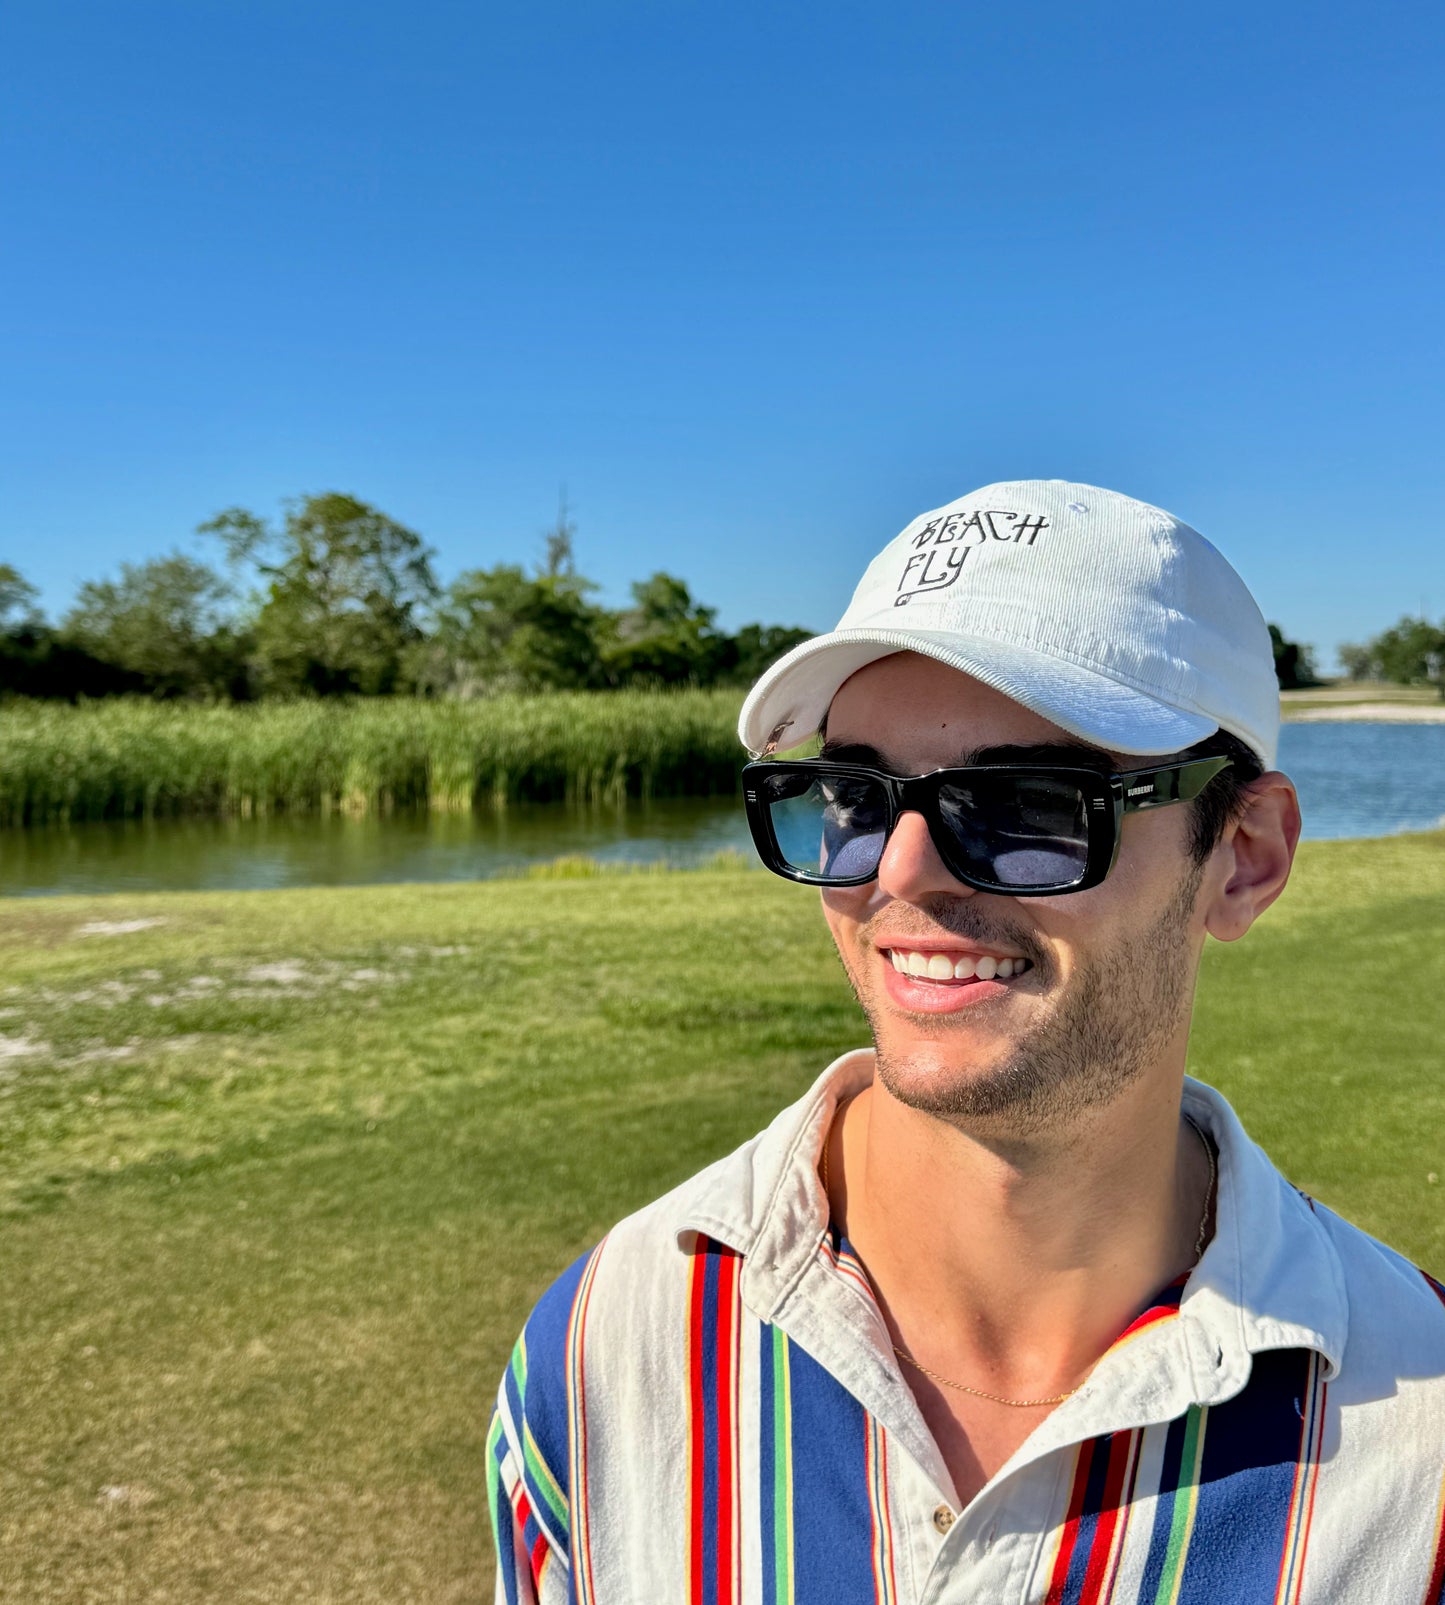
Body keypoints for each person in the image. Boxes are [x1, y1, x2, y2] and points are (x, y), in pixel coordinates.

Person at [486, 480, 1445, 1604]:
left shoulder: (1415, 1440)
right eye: (848, 797)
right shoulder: (608, 1347)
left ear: (1242, 856)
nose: (897, 872)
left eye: (1027, 805)